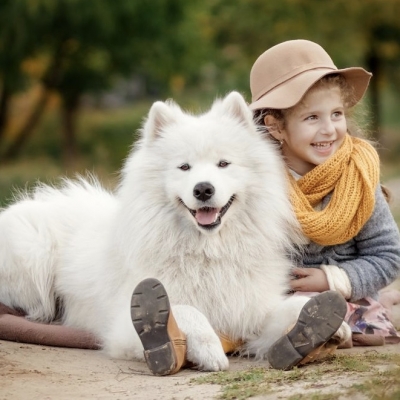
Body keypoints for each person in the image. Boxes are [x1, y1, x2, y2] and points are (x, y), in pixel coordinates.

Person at [249, 39, 400, 346]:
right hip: (274, 300)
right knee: (251, 319)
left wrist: (332, 279)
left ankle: (341, 327)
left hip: (344, 295)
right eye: (312, 118)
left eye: (336, 114)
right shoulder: (258, 186)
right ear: (275, 126)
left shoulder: (357, 176)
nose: (329, 129)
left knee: (348, 315)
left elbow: (388, 256)